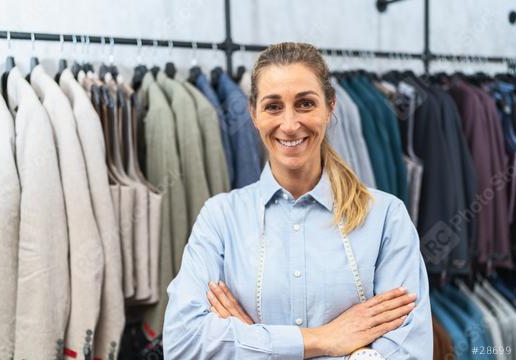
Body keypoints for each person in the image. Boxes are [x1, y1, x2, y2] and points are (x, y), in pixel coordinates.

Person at [163, 42, 433, 359]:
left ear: (331, 107)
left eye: (305, 104)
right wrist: (323, 340)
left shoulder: (386, 217)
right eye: (273, 106)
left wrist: (253, 343)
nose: (290, 124)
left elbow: (410, 352)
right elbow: (182, 344)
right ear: (253, 114)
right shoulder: (220, 218)